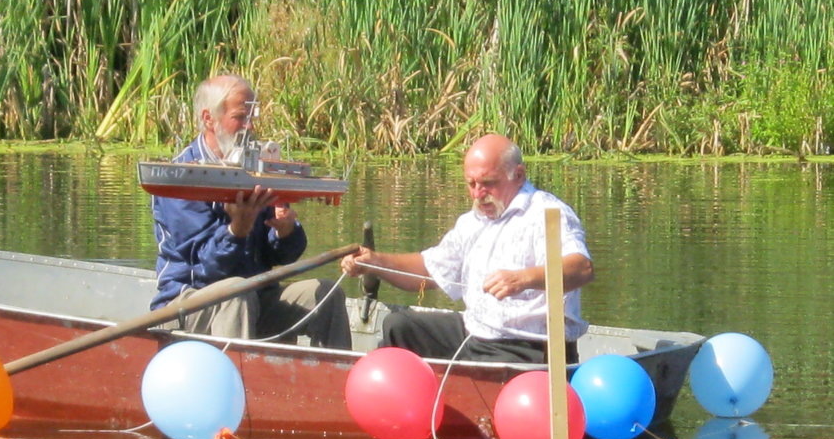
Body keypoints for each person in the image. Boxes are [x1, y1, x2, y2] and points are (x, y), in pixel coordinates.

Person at [341, 133, 593, 363]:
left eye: (488, 183)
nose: (478, 194)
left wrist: (523, 278)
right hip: (476, 333)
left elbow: (581, 269)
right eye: (471, 184)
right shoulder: (473, 221)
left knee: (490, 363)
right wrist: (374, 262)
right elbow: (430, 270)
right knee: (399, 325)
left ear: (518, 175)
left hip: (529, 346)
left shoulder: (547, 213)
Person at [150, 73, 351, 348]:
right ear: (209, 118)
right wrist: (236, 231)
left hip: (253, 298)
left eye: (252, 117)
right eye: (240, 117)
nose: (250, 126)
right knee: (236, 293)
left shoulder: (254, 167)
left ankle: (335, 382)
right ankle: (239, 384)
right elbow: (205, 272)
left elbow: (279, 257)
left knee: (326, 293)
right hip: (187, 302)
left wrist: (286, 232)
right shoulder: (182, 179)